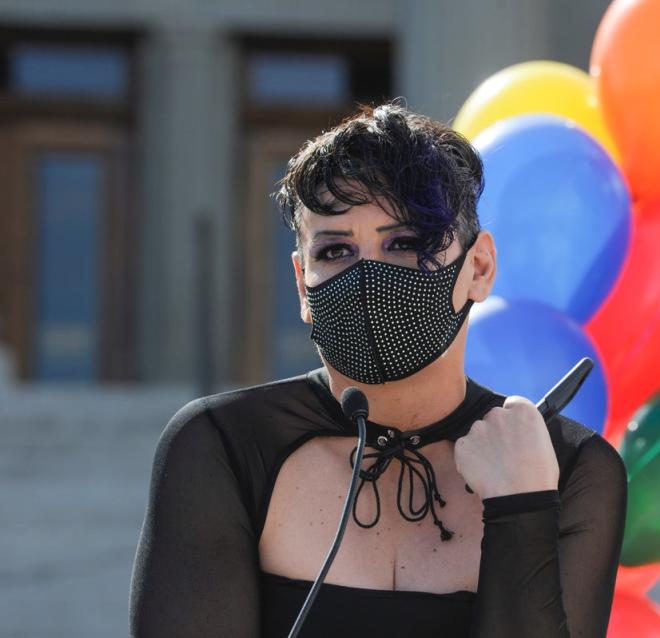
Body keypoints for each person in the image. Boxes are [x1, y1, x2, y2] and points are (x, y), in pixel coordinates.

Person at [128, 102, 628, 638]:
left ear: (478, 267)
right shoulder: (224, 446)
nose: (368, 275)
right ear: (303, 284)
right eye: (336, 250)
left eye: (406, 243)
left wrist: (521, 507)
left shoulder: (570, 468)